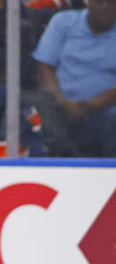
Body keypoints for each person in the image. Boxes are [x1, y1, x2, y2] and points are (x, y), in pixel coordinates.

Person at [33, 0, 116, 157]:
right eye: (99, 2)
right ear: (88, 3)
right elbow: (45, 67)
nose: (105, 7)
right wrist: (63, 102)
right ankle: (59, 162)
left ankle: (109, 173)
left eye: (111, 3)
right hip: (60, 105)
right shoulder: (63, 22)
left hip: (103, 109)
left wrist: (89, 105)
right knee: (40, 104)